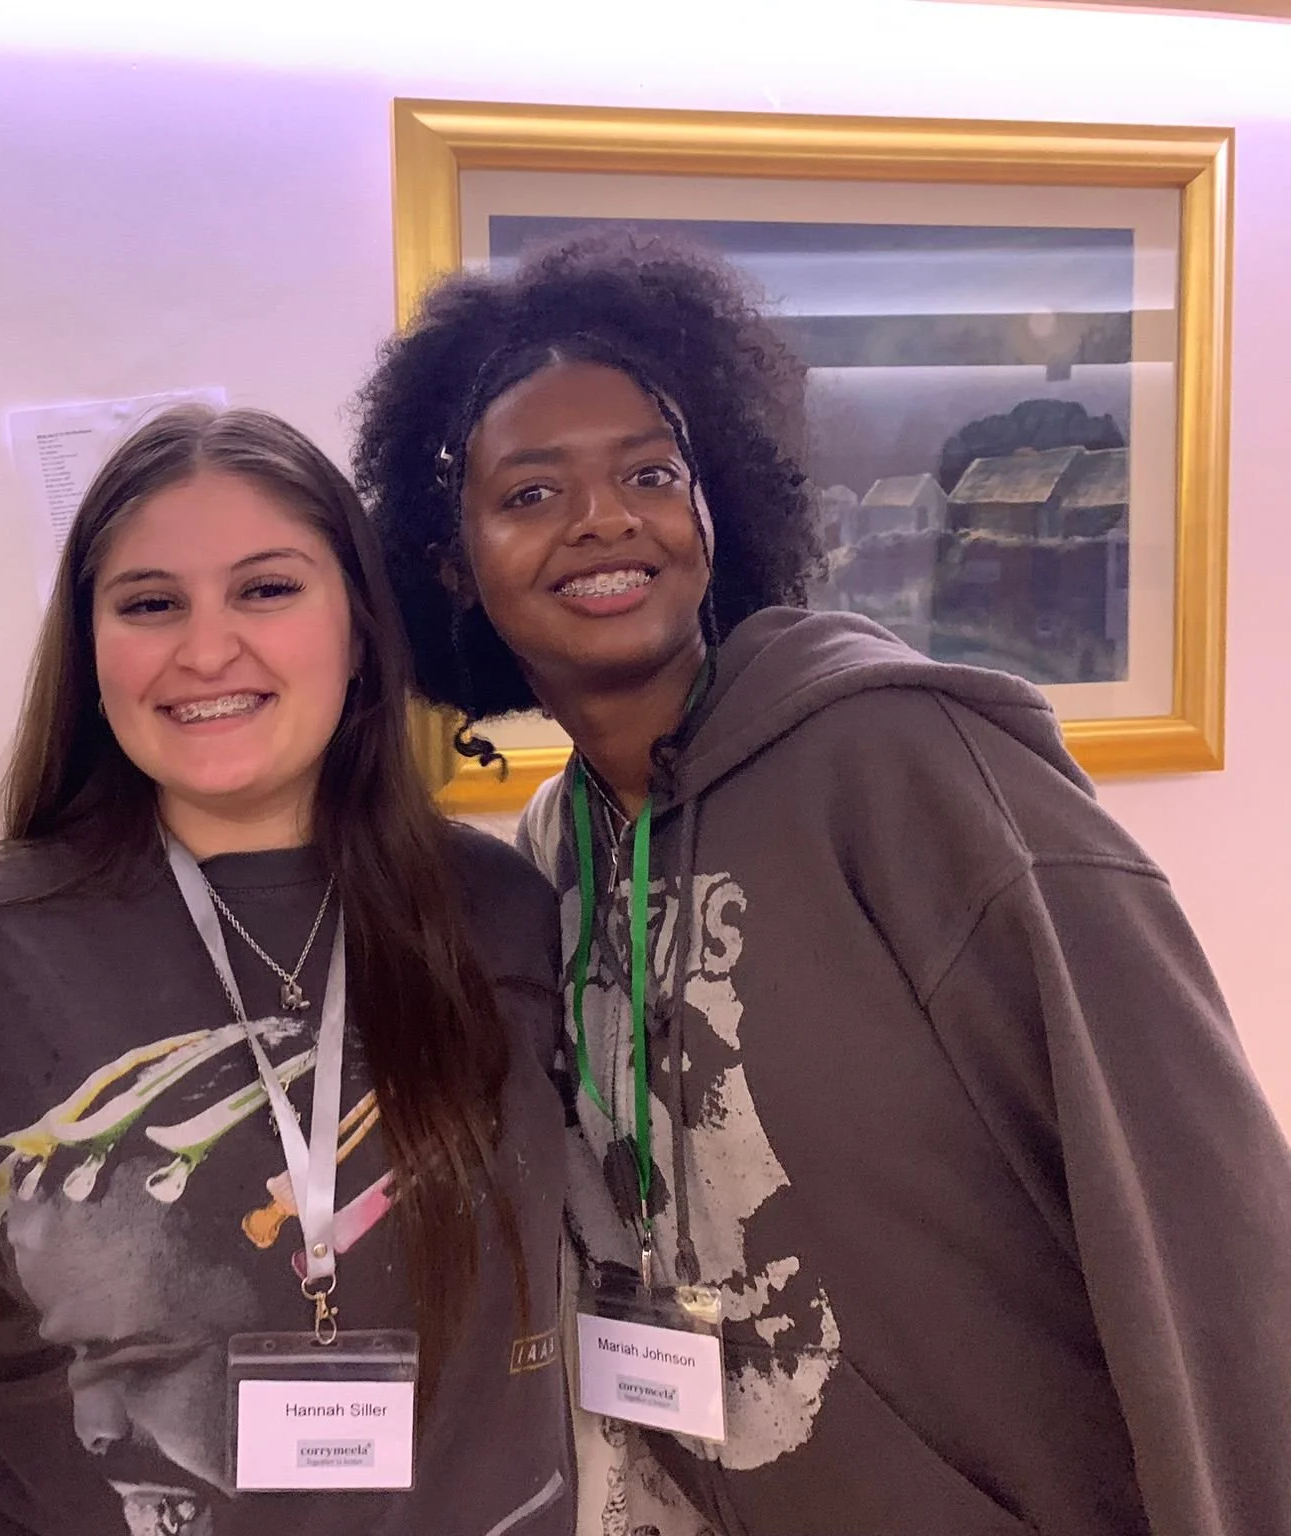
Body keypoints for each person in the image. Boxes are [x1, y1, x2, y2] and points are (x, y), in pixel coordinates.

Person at [352, 232, 1291, 1536]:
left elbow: (1202, 1210)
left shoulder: (910, 762)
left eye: (650, 473)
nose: (605, 521)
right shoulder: (555, 849)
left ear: (715, 504)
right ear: (450, 562)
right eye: (530, 495)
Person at [0, 406, 574, 1536]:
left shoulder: (503, 912)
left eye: (265, 589)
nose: (205, 650)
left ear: (356, 628)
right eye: (150, 603)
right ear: (91, 645)